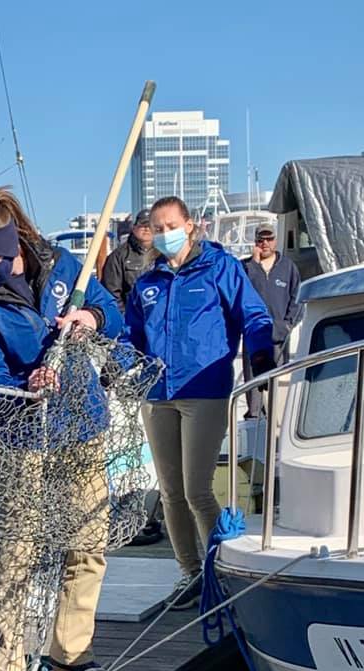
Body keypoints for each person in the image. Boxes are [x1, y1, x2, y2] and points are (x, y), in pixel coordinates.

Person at [0, 187, 124, 671]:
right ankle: (6, 666)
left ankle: (71, 652)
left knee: (87, 544)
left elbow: (109, 310)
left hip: (82, 426)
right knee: (14, 554)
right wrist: (25, 384)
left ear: (14, 246)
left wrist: (89, 318)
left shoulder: (65, 265)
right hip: (21, 437)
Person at [124, 196, 275, 609]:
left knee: (196, 490)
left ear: (190, 225)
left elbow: (254, 315)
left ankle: (217, 570)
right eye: (157, 227)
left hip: (204, 390)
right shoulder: (147, 282)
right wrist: (117, 363)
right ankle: (190, 573)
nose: (163, 233)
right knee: (170, 492)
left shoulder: (220, 268)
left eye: (170, 224)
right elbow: (131, 336)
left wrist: (261, 353)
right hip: (157, 395)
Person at [242, 223, 302, 418]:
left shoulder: (288, 267)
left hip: (279, 335)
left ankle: (276, 416)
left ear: (275, 240)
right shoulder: (246, 267)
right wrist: (254, 264)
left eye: (269, 239)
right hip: (253, 335)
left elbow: (297, 298)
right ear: (255, 242)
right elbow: (241, 294)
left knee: (278, 381)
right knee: (254, 383)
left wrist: (287, 324)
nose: (265, 243)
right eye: (261, 239)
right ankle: (254, 415)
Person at [101, 208, 153, 314]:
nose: (147, 229)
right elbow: (111, 293)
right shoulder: (118, 256)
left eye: (150, 226)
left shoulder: (165, 253)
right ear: (134, 228)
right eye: (142, 225)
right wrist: (127, 318)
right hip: (132, 319)